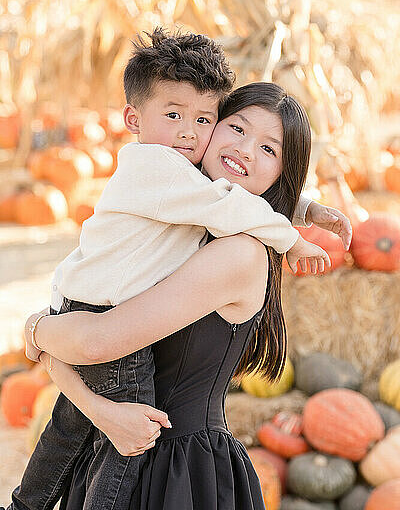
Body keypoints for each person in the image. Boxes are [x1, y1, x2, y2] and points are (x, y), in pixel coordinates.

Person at [6, 29, 335, 510]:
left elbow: (96, 341)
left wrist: (37, 329)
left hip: (176, 472)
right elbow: (88, 354)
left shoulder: (238, 251)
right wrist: (99, 408)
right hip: (118, 441)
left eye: (269, 149)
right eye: (237, 129)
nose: (244, 150)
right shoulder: (180, 211)